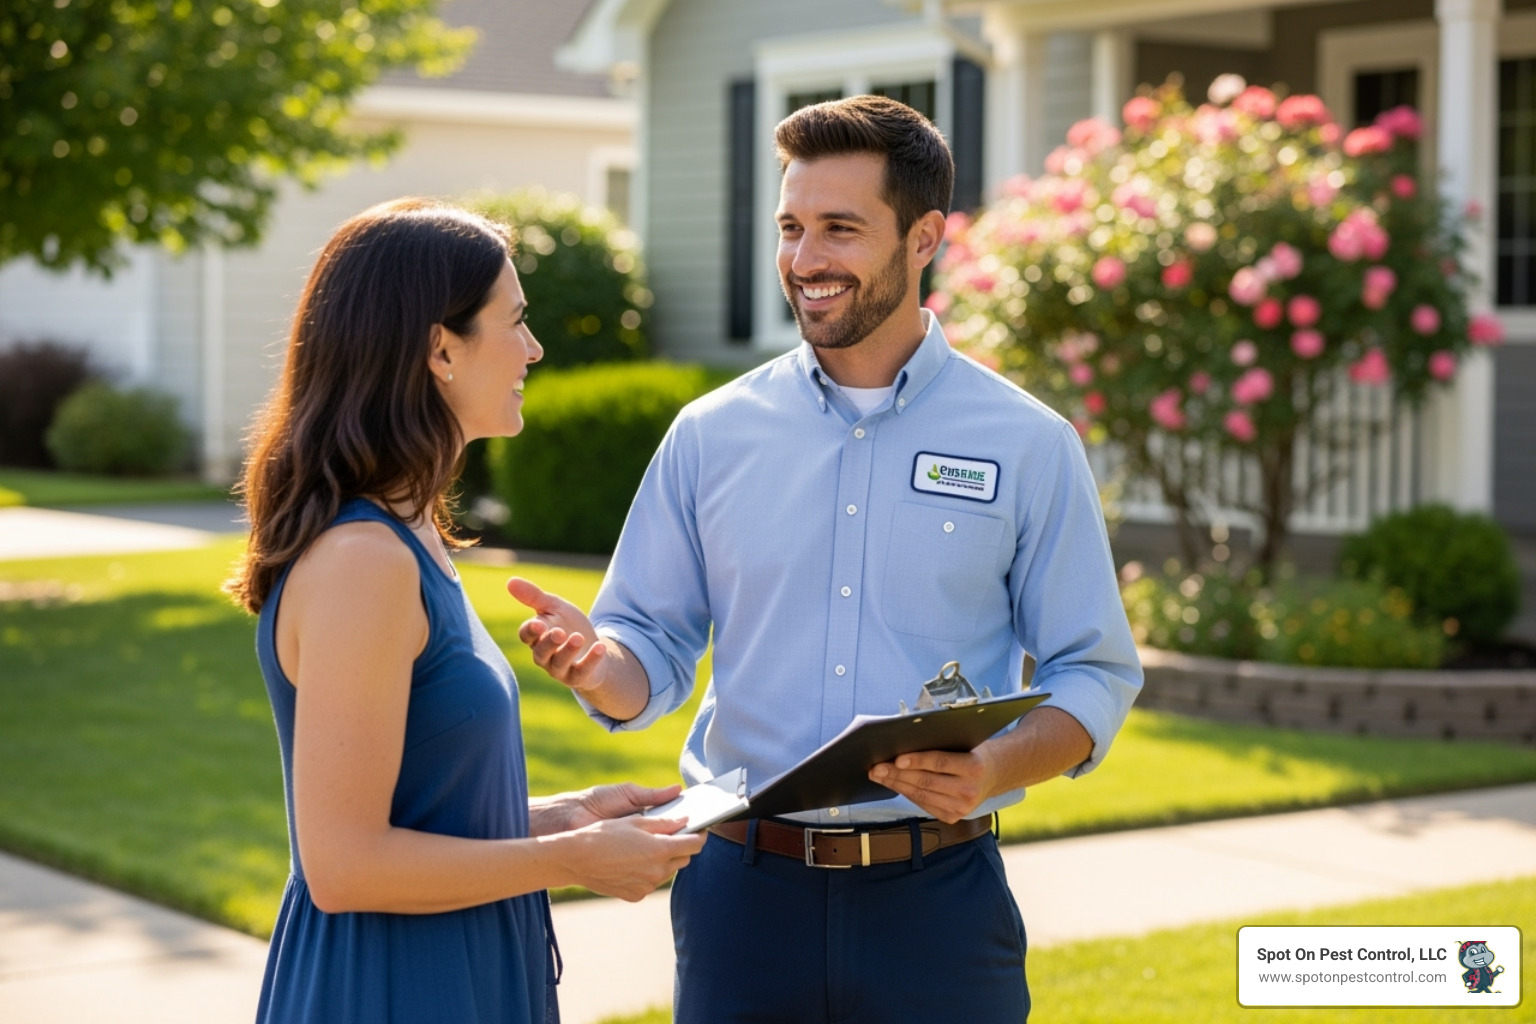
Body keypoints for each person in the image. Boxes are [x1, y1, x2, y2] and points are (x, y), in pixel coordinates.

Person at [509, 96, 1142, 1023]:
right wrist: (601, 665)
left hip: (940, 907)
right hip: (742, 900)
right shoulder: (711, 435)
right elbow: (645, 648)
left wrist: (997, 768)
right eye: (792, 228)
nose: (806, 262)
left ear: (923, 238)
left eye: (840, 229)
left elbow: (1096, 668)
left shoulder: (1027, 444)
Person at [225, 198, 705, 1024]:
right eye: (514, 322)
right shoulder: (364, 562)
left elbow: (413, 809)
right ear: (441, 348)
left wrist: (569, 814)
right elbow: (343, 864)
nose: (534, 348)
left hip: (452, 967)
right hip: (392, 987)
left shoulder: (409, 540)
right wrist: (568, 857)